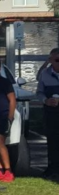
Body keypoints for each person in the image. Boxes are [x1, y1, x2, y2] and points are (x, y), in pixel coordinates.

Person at [36, 48, 59, 179]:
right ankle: (52, 168)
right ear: (50, 61)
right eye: (56, 60)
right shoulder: (45, 74)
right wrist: (46, 100)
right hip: (51, 113)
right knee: (52, 140)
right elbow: (39, 92)